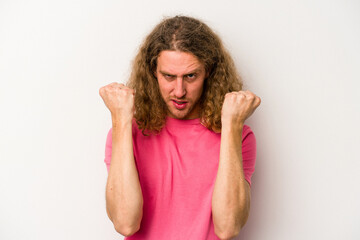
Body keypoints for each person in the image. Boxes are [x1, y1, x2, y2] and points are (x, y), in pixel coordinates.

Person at [99, 15, 261, 240]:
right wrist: (120, 119)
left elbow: (228, 227)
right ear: (153, 73)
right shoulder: (127, 131)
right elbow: (126, 223)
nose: (179, 91)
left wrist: (232, 125)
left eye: (191, 76)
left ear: (209, 73)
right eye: (168, 76)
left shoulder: (238, 136)